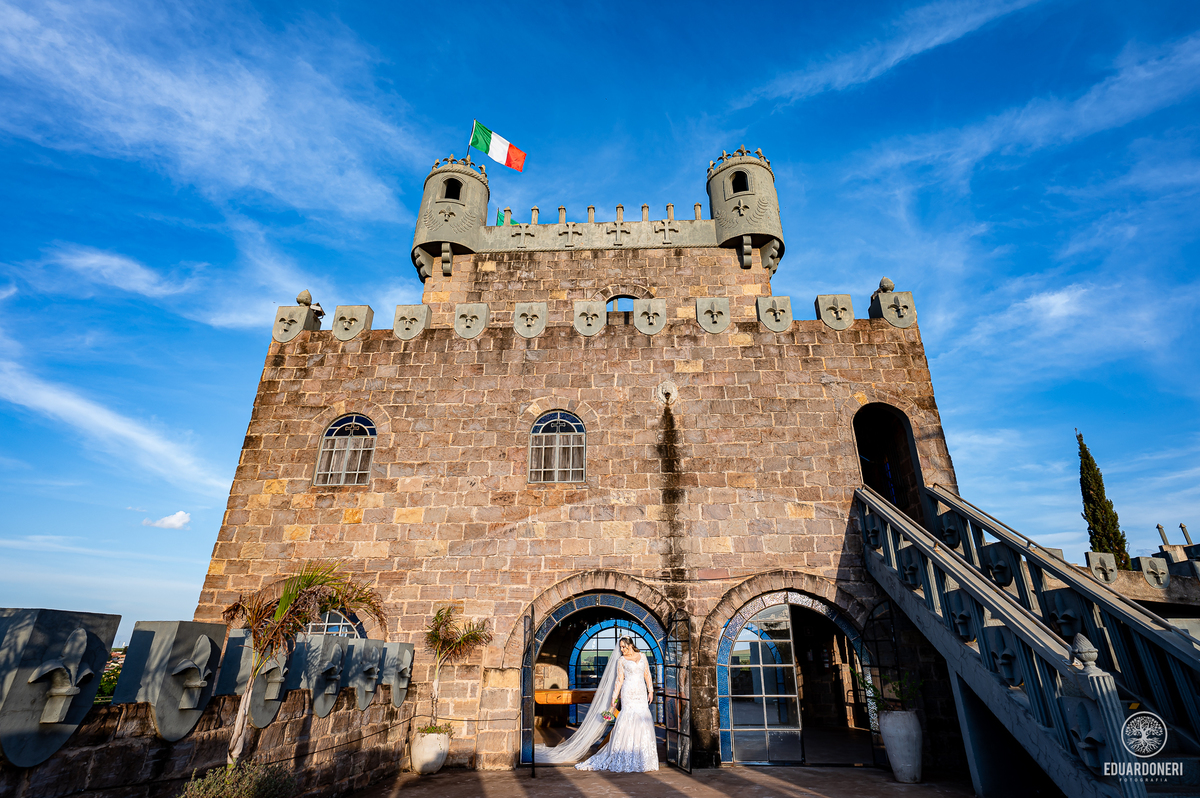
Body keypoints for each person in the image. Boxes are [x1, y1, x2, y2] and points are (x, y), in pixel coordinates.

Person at [575, 636, 659, 772]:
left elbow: (647, 674)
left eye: (624, 647)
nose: (622, 649)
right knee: (627, 719)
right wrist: (614, 699)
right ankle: (625, 757)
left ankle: (642, 758)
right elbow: (619, 680)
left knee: (643, 719)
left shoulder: (642, 656)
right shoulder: (621, 660)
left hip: (641, 692)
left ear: (630, 645)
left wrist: (650, 690)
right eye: (620, 647)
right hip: (628, 692)